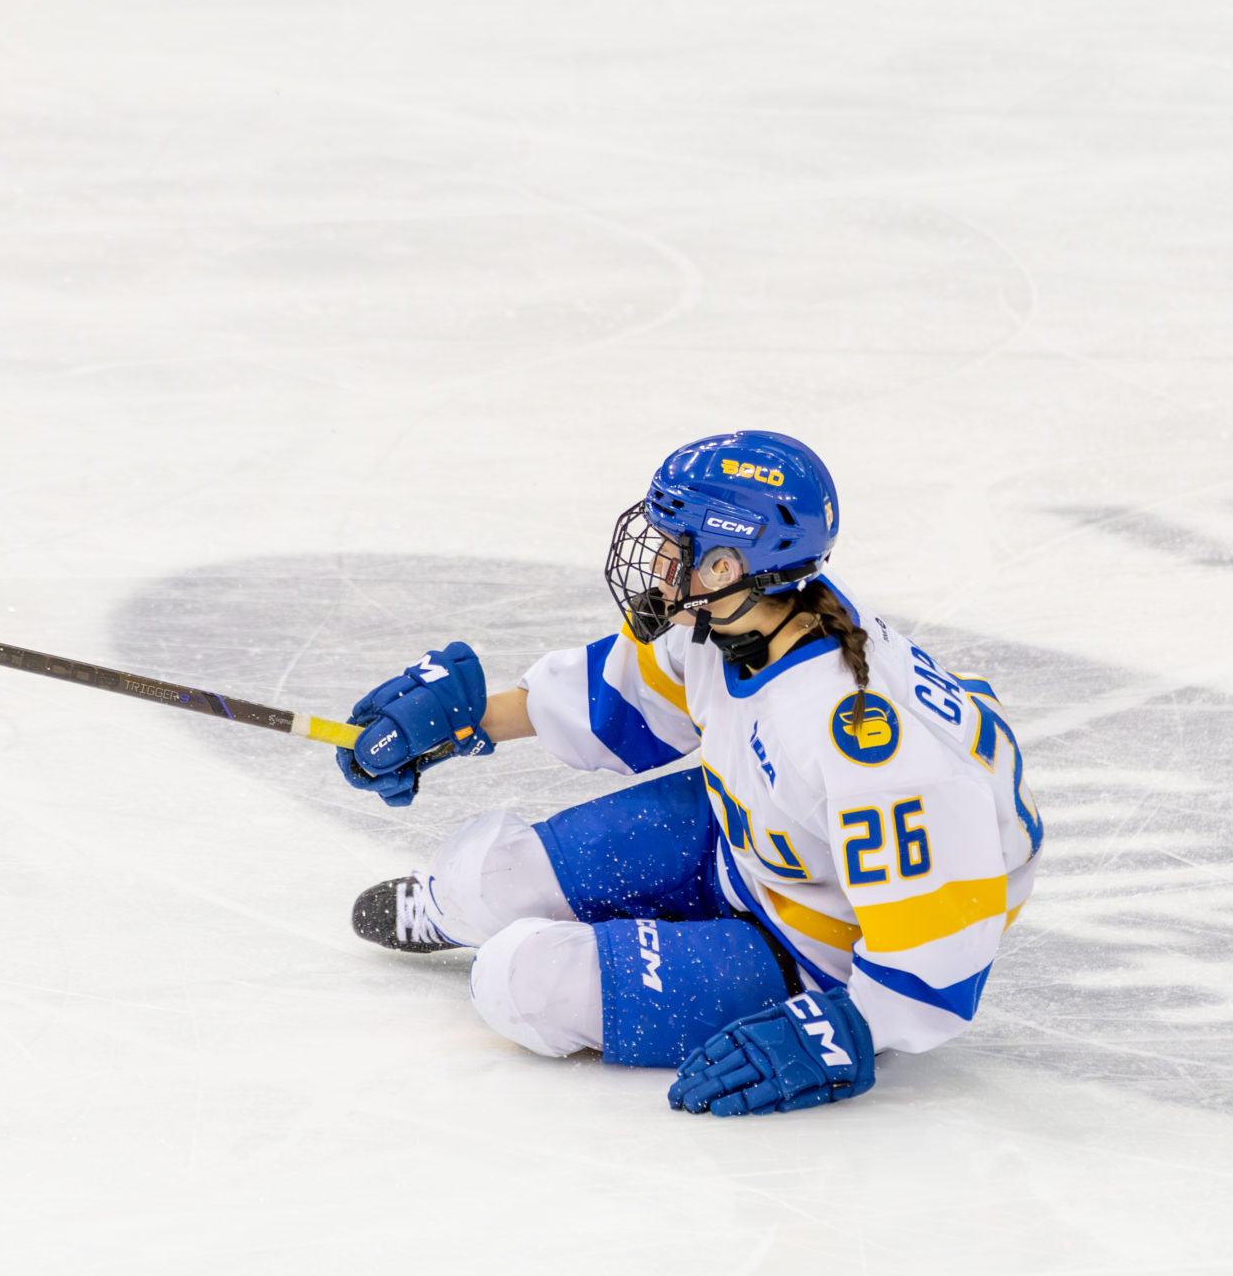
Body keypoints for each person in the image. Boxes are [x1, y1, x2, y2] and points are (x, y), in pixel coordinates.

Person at [338, 430, 1044, 1116]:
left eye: (677, 547)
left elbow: (944, 944)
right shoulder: (749, 618)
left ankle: (672, 946)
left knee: (518, 984)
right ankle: (457, 908)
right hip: (750, 838)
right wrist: (465, 722)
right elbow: (621, 701)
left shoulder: (869, 747)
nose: (657, 564)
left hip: (815, 949)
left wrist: (850, 1026)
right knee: (479, 881)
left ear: (728, 564)